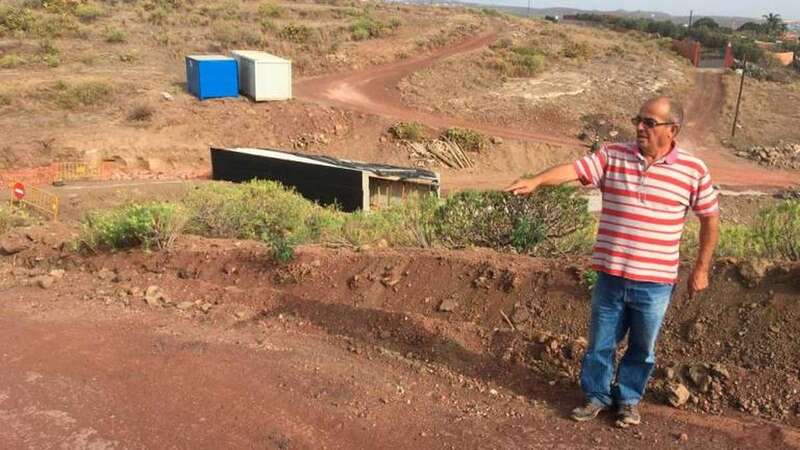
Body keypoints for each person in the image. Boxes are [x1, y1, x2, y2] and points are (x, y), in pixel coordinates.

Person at [505, 96, 720, 428]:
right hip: (611, 276)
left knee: (642, 349)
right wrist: (536, 180)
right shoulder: (614, 156)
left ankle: (628, 400)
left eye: (649, 122)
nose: (639, 127)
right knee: (600, 344)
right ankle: (596, 397)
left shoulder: (693, 170)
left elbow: (710, 218)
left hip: (655, 282)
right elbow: (575, 170)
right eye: (638, 120)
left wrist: (702, 268)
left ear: (671, 129)